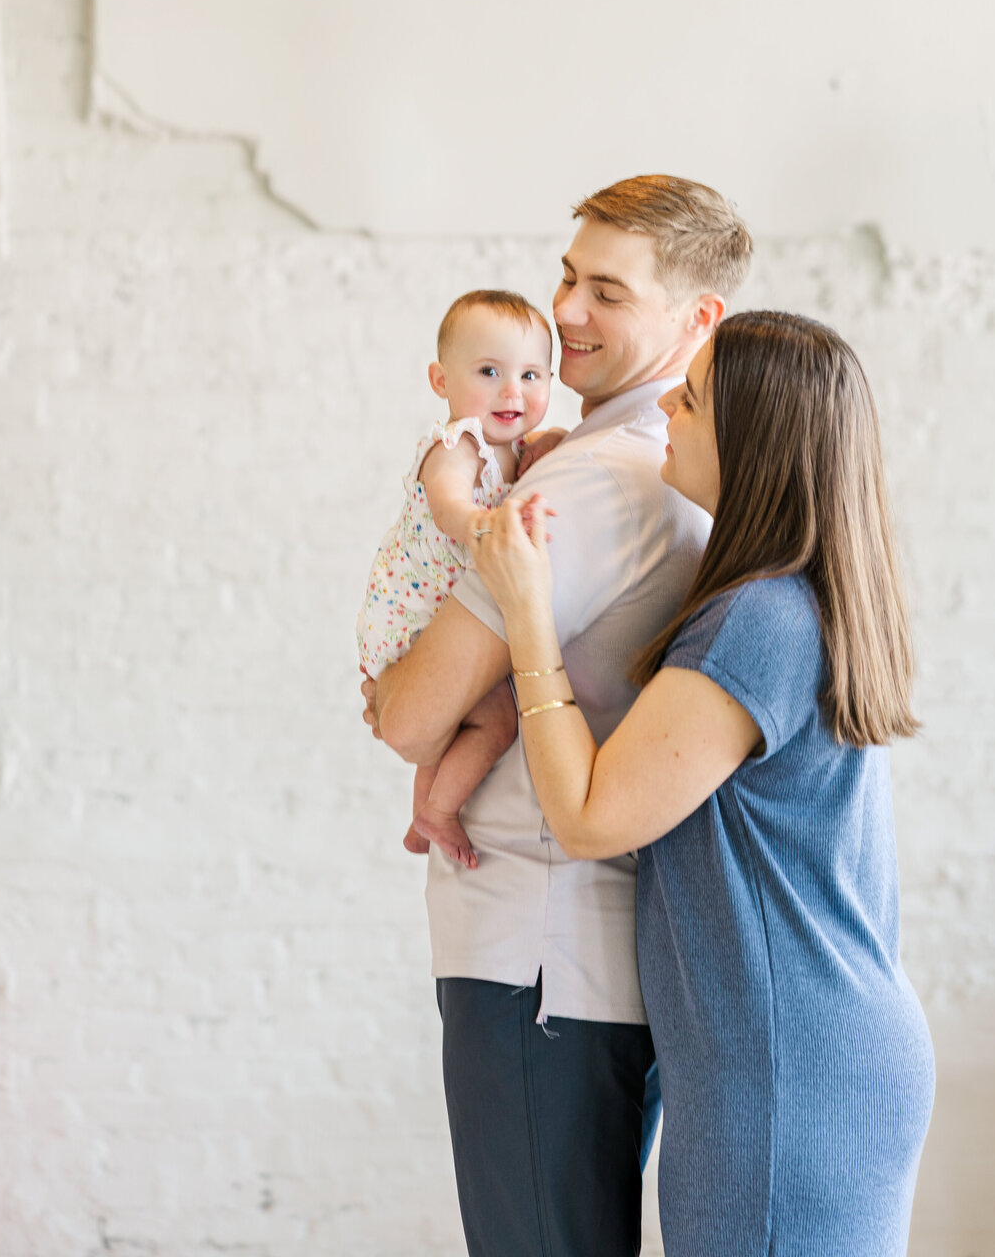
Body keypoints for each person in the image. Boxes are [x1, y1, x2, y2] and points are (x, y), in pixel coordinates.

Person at [471, 310, 937, 1257]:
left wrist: (528, 614)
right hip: (814, 1057)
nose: (666, 411)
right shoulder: (800, 602)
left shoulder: (757, 621)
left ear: (751, 443)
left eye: (690, 398)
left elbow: (593, 815)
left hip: (782, 1078)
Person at [362, 176, 753, 1257]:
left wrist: (412, 693)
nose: (568, 312)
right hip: (584, 966)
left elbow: (405, 715)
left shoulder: (592, 488)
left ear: (696, 319)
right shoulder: (634, 467)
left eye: (610, 293)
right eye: (568, 277)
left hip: (536, 961)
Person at [356, 290, 553, 867]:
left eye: (531, 374)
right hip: (411, 618)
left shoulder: (514, 446)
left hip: (432, 611)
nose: (512, 390)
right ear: (441, 381)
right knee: (496, 720)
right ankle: (437, 812)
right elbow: (447, 505)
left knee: (462, 717)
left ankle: (425, 814)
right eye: (489, 371)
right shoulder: (458, 445)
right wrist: (482, 523)